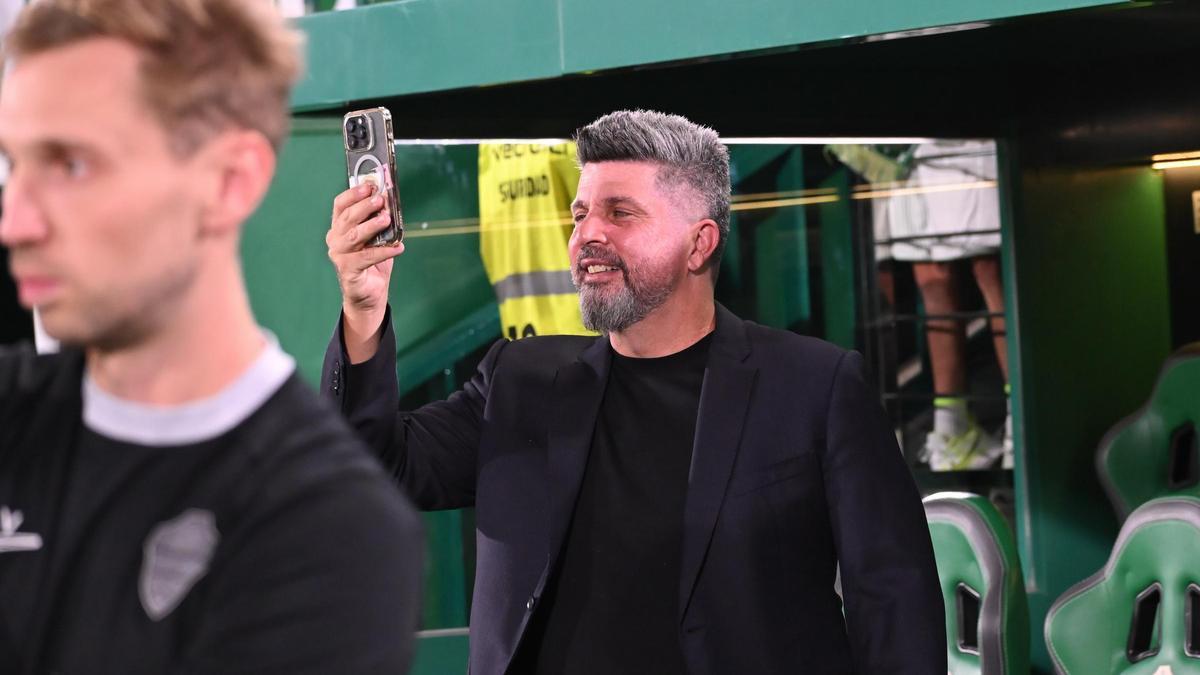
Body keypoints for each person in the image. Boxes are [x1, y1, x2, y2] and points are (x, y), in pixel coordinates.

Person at [325, 110, 945, 673]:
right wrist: (363, 309)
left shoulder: (815, 386)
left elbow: (894, 600)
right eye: (580, 214)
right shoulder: (518, 380)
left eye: (620, 214)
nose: (587, 235)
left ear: (699, 243)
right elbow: (374, 469)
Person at [0, 1, 422, 673]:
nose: (16, 222)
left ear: (229, 182)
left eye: (72, 165)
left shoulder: (328, 526)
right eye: (14, 165)